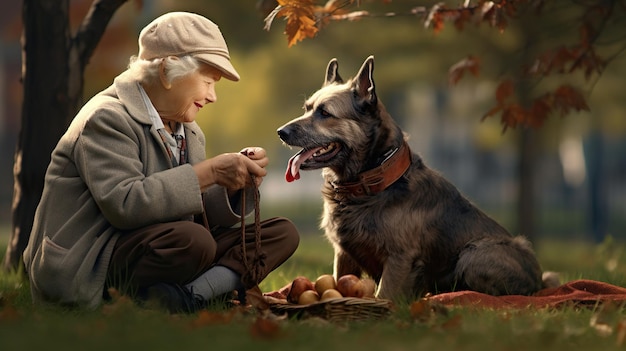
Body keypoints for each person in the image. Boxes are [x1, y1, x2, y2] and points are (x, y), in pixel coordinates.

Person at [22, 11, 300, 313]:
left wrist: (235, 185)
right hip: (92, 262)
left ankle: (190, 297)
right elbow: (126, 205)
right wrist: (209, 172)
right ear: (167, 71)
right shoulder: (105, 118)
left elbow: (192, 208)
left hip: (165, 247)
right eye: (208, 82)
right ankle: (169, 296)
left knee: (280, 233)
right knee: (193, 241)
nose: (212, 97)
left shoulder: (189, 130)